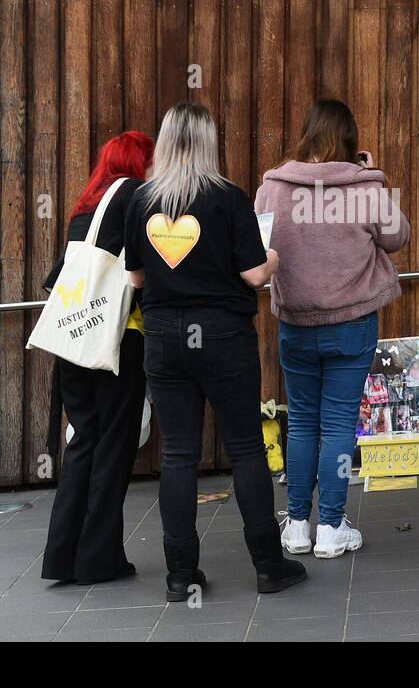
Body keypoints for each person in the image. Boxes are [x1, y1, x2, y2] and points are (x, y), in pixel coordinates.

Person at [124, 102, 305, 600]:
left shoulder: (140, 201)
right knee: (246, 446)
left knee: (178, 455)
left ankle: (180, 574)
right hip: (222, 333)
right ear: (208, 142)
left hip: (163, 336)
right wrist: (272, 259)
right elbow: (252, 274)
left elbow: (136, 276)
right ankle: (268, 564)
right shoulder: (227, 197)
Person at [255, 99, 409, 559]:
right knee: (340, 424)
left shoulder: (273, 187)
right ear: (350, 140)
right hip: (353, 322)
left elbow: (256, 243)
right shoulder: (365, 187)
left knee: (301, 422)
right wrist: (375, 175)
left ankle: (298, 525)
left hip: (296, 324)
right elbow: (399, 236)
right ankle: (331, 527)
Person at [40, 131, 155, 585]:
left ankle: (63, 556)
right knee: (115, 445)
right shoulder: (134, 196)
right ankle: (98, 557)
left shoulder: (86, 206)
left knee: (84, 440)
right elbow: (143, 271)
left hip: (74, 338)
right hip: (118, 339)